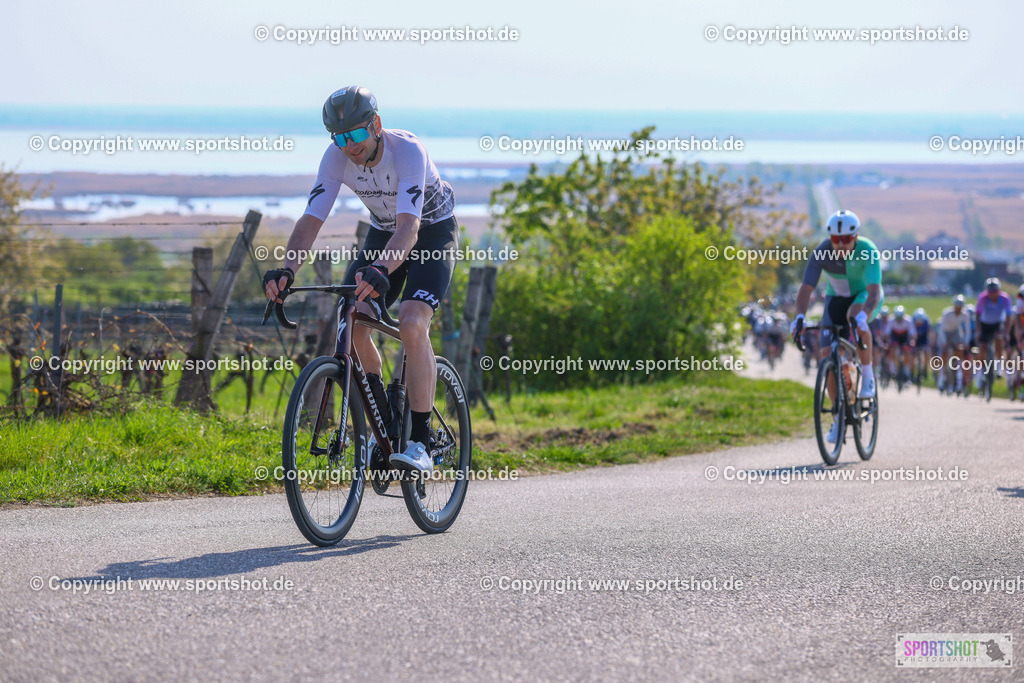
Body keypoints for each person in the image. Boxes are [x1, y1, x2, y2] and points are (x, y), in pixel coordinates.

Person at [263, 86, 459, 475]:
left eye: (354, 134)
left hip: (430, 233)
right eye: (338, 137)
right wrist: (287, 270)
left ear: (376, 125)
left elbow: (410, 227)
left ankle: (420, 440)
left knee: (411, 321)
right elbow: (310, 222)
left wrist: (382, 270)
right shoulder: (335, 157)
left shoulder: (408, 151)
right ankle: (385, 423)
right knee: (352, 319)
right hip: (384, 233)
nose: (347, 145)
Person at [791, 209, 883, 443]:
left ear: (856, 236)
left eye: (846, 239)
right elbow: (805, 289)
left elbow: (874, 291)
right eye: (836, 239)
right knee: (826, 357)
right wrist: (799, 317)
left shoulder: (867, 250)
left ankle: (869, 376)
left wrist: (866, 313)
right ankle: (838, 416)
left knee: (855, 315)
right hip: (836, 298)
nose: (841, 244)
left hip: (864, 296)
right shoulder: (822, 252)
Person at [973, 277, 1012, 388]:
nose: (992, 294)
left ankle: (999, 368)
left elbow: (1009, 317)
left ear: (999, 291)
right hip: (985, 324)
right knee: (983, 347)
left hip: (998, 323)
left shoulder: (1005, 298)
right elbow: (977, 316)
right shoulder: (982, 298)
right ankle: (980, 374)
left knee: (999, 340)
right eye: (990, 292)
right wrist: (979, 331)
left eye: (994, 292)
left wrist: (1007, 332)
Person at [937, 295, 971, 393]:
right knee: (944, 354)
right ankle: (941, 377)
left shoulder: (965, 315)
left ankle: (959, 375)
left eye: (960, 306)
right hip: (945, 333)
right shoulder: (947, 313)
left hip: (956, 333)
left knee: (960, 350)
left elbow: (967, 330)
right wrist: (944, 342)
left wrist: (966, 343)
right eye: (957, 306)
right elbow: (942, 329)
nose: (958, 308)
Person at [885, 306, 915, 383]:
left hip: (905, 337)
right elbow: (888, 334)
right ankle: (892, 369)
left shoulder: (908, 320)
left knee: (907, 351)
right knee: (893, 349)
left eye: (900, 318)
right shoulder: (891, 320)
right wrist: (889, 343)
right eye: (897, 318)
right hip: (895, 337)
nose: (899, 320)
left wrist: (912, 341)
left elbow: (913, 334)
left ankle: (906, 371)